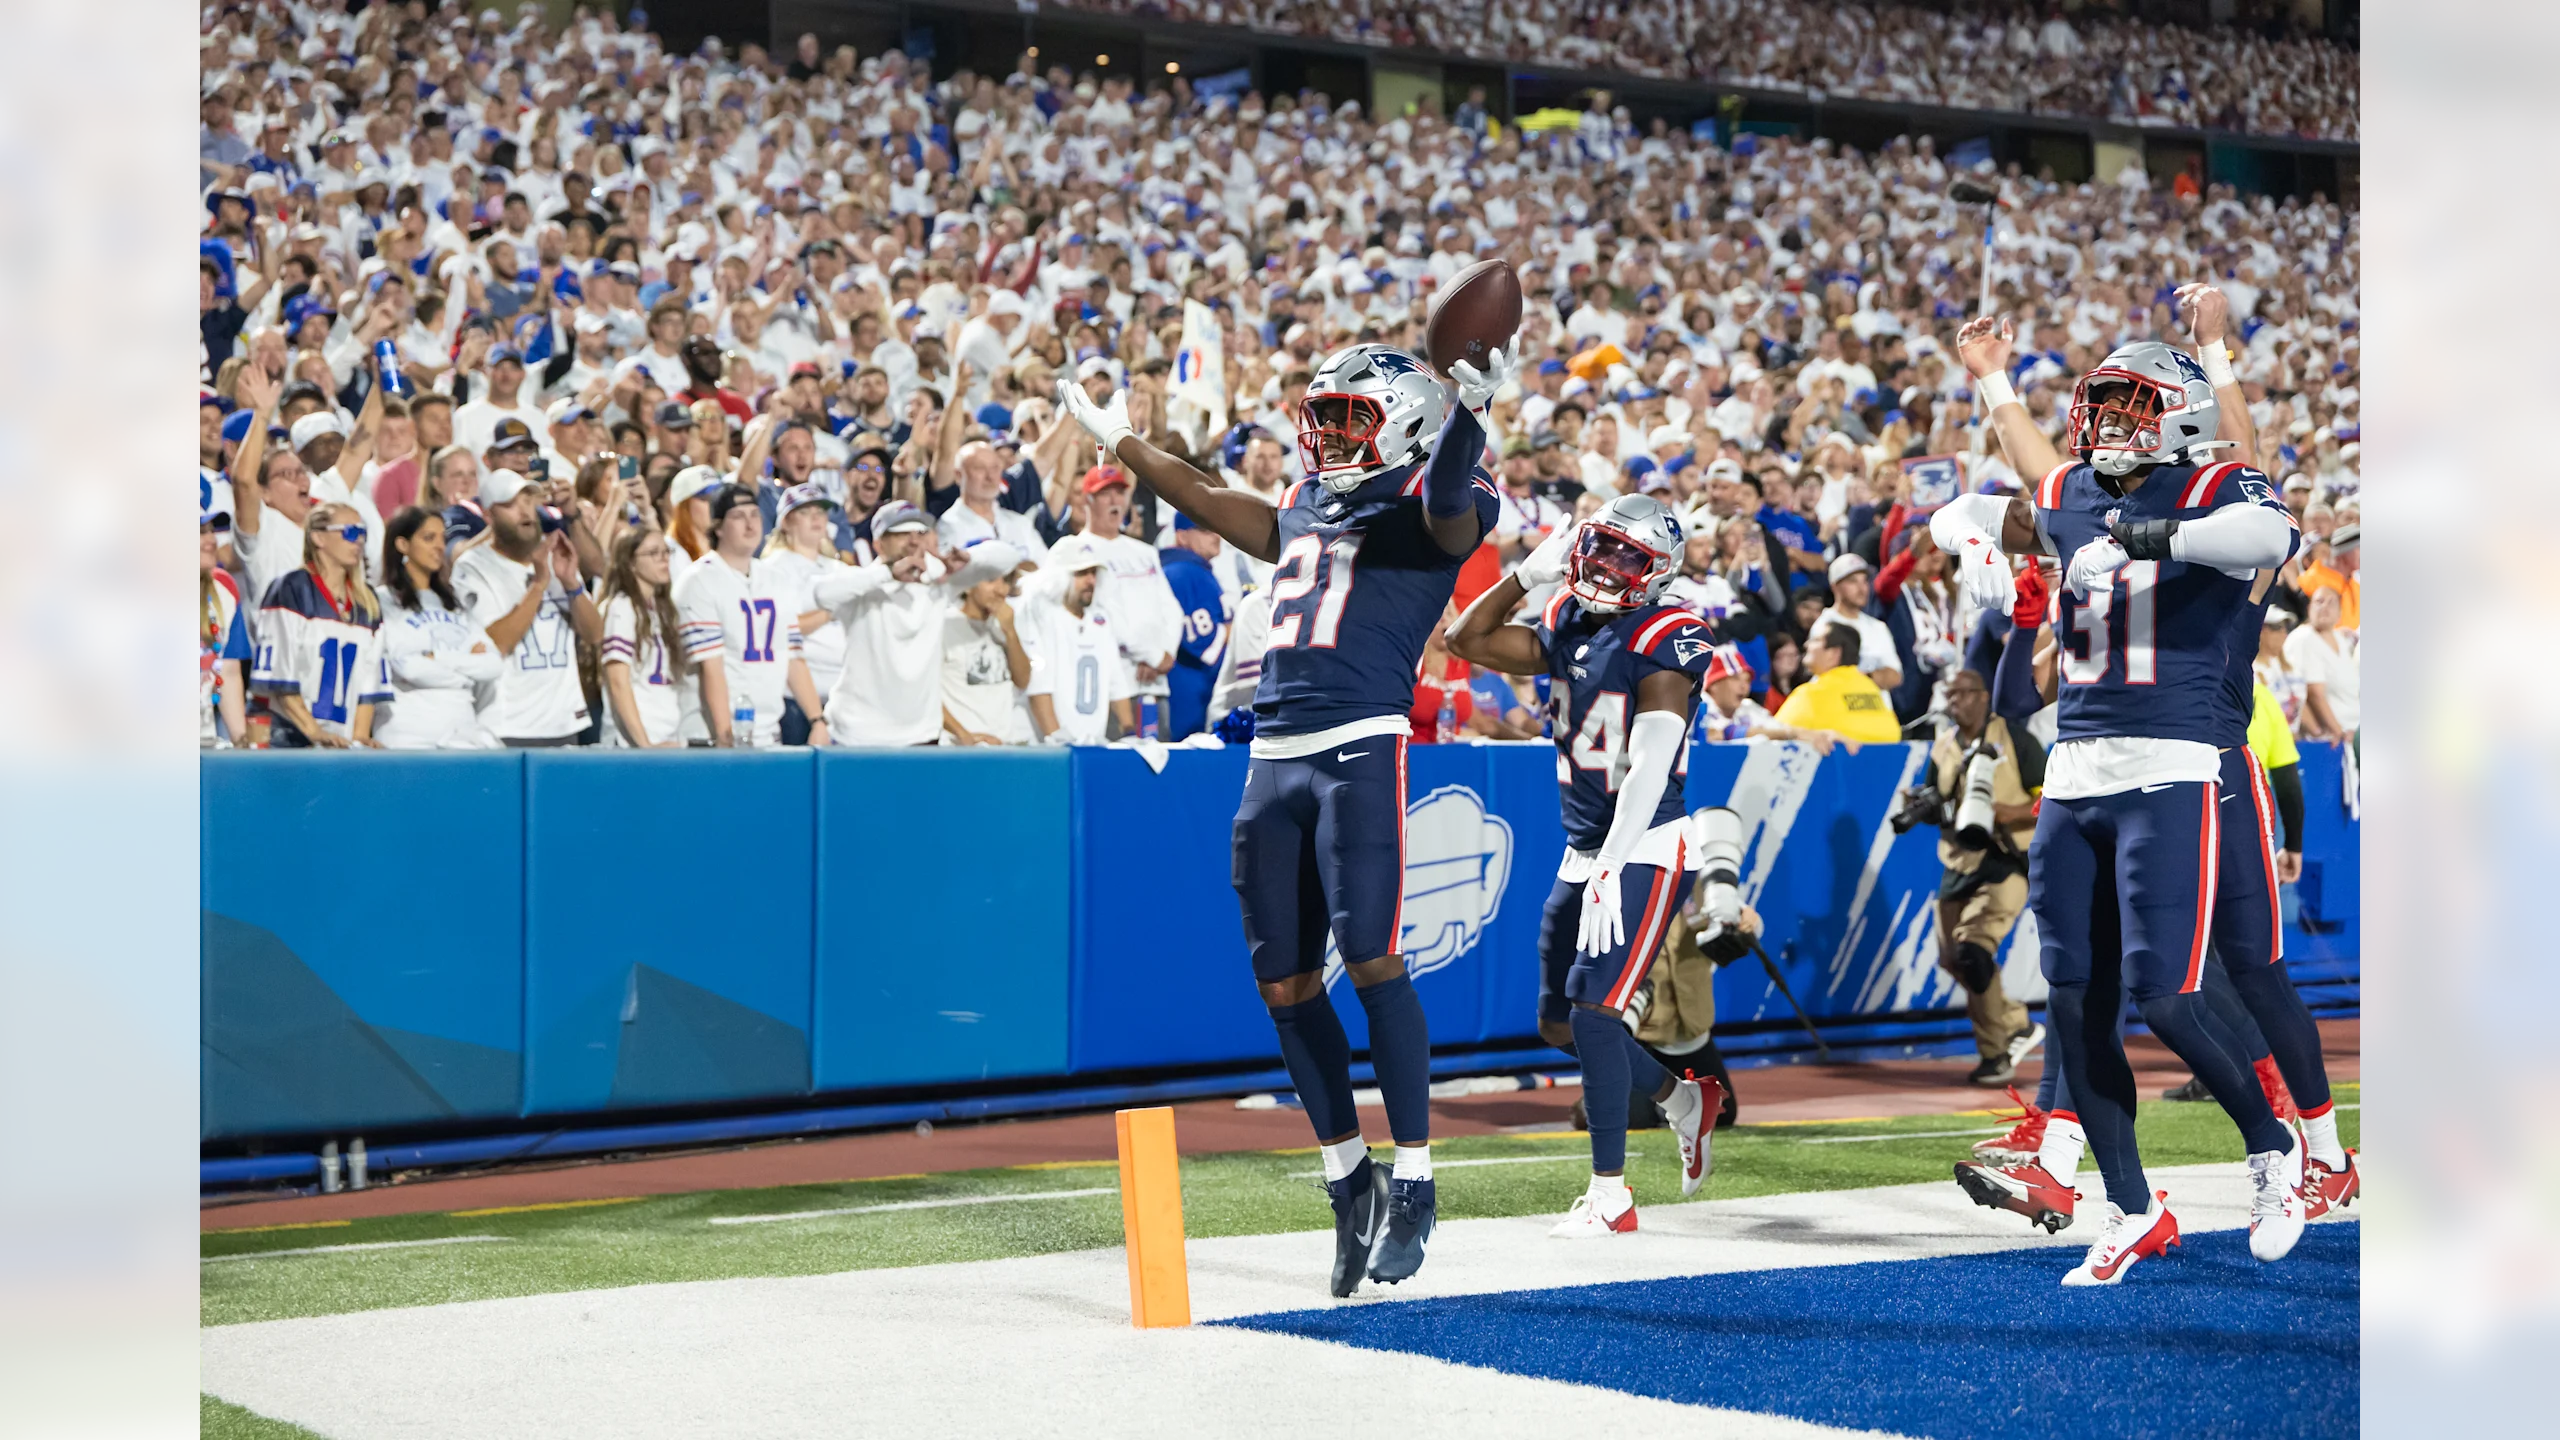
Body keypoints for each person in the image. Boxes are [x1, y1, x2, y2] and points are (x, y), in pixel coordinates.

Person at [1058, 339, 1508, 1296]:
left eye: (1352, 419)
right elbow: (1212, 501)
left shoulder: (1438, 505)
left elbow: (1448, 495)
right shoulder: (1308, 504)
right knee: (1286, 986)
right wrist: (1126, 441)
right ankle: (1352, 1179)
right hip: (1272, 756)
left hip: (1359, 747)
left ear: (1412, 426)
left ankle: (1418, 1182)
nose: (1330, 436)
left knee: (1376, 956)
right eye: (1326, 419)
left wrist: (1468, 416)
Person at [1933, 313, 2306, 1284]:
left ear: (2178, 419)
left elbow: (2272, 530)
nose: (2110, 424)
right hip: (2076, 771)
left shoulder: (2216, 488)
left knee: (2168, 998)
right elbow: (2001, 493)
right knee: (2073, 1001)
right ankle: (2132, 1207)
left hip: (2173, 763)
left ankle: (2275, 1149)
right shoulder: (2066, 490)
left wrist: (2153, 534)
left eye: (2131, 408)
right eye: (2100, 406)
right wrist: (1989, 398)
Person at [1446, 497, 1723, 1237]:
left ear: (1657, 572)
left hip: (1647, 843)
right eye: (1597, 547)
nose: (1603, 567)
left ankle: (1611, 1194)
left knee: (1597, 1014)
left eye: (1624, 557)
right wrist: (1523, 575)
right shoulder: (1567, 614)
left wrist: (1615, 860)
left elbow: (1652, 763)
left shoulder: (1670, 633)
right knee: (1556, 1022)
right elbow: (1463, 638)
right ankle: (1681, 1097)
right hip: (1585, 848)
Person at [1920, 669, 2048, 1085]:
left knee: (1973, 950)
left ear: (1983, 696)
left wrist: (2009, 813)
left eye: (1963, 694)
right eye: (1950, 694)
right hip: (1959, 861)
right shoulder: (1942, 747)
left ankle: (1999, 1044)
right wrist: (1921, 807)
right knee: (1956, 960)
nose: (1956, 701)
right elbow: (1936, 800)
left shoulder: (2014, 738)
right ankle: (2007, 1038)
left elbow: (2051, 794)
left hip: (2007, 857)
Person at [451, 466, 601, 747]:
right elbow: (497, 643)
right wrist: (539, 585)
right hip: (509, 726)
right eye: (510, 505)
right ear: (488, 515)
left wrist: (571, 583)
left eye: (529, 501)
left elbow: (594, 635)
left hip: (564, 721)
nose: (525, 512)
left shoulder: (555, 555)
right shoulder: (473, 567)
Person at [673, 485, 829, 749]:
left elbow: (792, 657)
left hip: (767, 733)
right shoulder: (698, 580)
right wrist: (726, 736)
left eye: (755, 514)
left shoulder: (776, 580)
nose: (750, 524)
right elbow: (711, 667)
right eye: (738, 516)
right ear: (718, 528)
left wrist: (817, 720)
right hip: (713, 735)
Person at [810, 499, 954, 747]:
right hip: (859, 734)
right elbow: (822, 593)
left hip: (922, 734)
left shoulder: (938, 585)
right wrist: (888, 573)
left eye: (919, 533)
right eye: (901, 533)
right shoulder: (861, 585)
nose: (913, 541)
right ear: (878, 543)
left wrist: (967, 558)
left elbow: (1003, 557)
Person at [252, 502, 389, 748]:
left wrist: (359, 738)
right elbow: (282, 678)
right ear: (318, 537)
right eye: (349, 532)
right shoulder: (292, 588)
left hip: (339, 740)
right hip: (285, 735)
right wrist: (313, 732)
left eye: (362, 533)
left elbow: (369, 683)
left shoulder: (367, 602)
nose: (358, 541)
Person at [374, 506, 503, 749]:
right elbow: (407, 666)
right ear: (402, 545)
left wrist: (437, 658)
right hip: (407, 735)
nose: (439, 546)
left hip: (462, 734)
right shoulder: (382, 601)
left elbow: (493, 665)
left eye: (442, 538)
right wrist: (465, 669)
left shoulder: (454, 602)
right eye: (428, 538)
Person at [758, 481, 851, 743]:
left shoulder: (836, 568)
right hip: (795, 697)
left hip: (840, 694)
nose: (816, 518)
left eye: (820, 512)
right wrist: (830, 610)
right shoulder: (773, 569)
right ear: (786, 522)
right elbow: (782, 628)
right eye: (805, 512)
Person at [1022, 534, 1133, 745]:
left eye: (1093, 573)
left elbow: (1117, 682)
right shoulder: (1042, 618)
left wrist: (1129, 732)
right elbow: (1039, 689)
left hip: (1095, 742)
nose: (1091, 581)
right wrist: (1057, 741)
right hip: (1052, 747)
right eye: (1082, 573)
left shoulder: (1100, 621)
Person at [598, 527, 689, 748]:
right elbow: (618, 681)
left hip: (665, 736)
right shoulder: (621, 607)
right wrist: (644, 746)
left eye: (666, 552)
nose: (663, 559)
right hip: (633, 743)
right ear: (630, 563)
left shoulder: (661, 609)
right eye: (653, 553)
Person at [940, 542, 1033, 746]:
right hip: (961, 750)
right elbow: (926, 694)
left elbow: (1023, 680)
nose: (1001, 590)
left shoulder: (1005, 625)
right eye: (991, 580)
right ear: (969, 584)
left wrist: (1010, 632)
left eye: (1005, 581)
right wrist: (963, 735)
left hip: (1004, 745)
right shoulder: (945, 626)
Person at [1771, 623, 1905, 745]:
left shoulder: (1813, 694)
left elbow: (1771, 736)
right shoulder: (1873, 690)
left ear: (1833, 654)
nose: (1806, 645)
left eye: (1816, 640)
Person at [1158, 516, 1230, 740]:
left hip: (1193, 693)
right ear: (1181, 535)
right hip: (1190, 696)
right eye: (1205, 529)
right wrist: (1237, 627)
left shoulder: (1192, 570)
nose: (1216, 535)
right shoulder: (1183, 573)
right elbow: (1205, 645)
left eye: (1216, 528)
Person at [1812, 553, 1904, 694]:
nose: (1862, 589)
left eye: (1864, 581)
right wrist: (1875, 676)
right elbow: (1828, 678)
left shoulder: (1877, 627)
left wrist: (1860, 676)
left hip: (1878, 712)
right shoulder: (1824, 626)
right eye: (1853, 581)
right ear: (1835, 586)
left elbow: (1895, 676)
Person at [200, 507, 251, 747]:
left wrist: (241, 740)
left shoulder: (223, 589)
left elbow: (228, 672)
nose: (211, 540)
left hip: (204, 741)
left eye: (211, 531)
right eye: (199, 532)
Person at [2285, 584, 2358, 741]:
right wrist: (2339, 733)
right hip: (2334, 737)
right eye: (2319, 601)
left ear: (2340, 612)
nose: (2325, 606)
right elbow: (2314, 694)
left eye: (2331, 602)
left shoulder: (2340, 639)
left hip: (2354, 728)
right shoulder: (2303, 639)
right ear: (2309, 608)